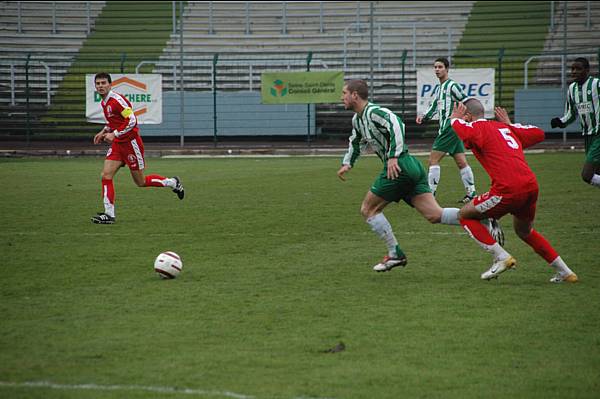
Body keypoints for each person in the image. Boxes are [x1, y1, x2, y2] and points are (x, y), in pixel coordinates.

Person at [336, 79, 502, 272]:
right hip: (409, 166)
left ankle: (395, 253)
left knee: (368, 209)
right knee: (434, 214)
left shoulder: (374, 112)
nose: (342, 97)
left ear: (355, 95)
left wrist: (393, 157)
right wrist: (348, 163)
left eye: (344, 93)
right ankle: (480, 217)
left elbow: (396, 124)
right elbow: (355, 142)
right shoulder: (358, 119)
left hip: (400, 167)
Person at [450, 99, 577, 283]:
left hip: (508, 189)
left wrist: (454, 119)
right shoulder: (505, 128)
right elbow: (539, 134)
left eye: (465, 116)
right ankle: (566, 272)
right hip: (530, 186)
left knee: (465, 215)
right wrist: (510, 125)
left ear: (468, 116)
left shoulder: (477, 128)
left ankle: (501, 257)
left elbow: (464, 131)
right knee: (524, 231)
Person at [91, 72, 184, 224]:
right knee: (105, 176)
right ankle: (109, 215)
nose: (101, 86)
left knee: (140, 182)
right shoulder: (104, 102)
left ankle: (173, 182)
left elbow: (132, 120)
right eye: (98, 84)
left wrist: (114, 134)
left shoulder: (117, 101)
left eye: (103, 83)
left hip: (131, 144)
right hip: (118, 145)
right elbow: (114, 120)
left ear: (110, 84)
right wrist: (104, 131)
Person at [416, 57, 477, 203]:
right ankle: (472, 193)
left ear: (447, 69)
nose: (437, 70)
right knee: (461, 161)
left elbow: (468, 101)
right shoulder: (440, 88)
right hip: (451, 129)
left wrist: (468, 116)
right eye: (435, 67)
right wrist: (424, 117)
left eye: (440, 67)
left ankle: (430, 194)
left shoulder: (452, 86)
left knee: (433, 160)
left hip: (449, 128)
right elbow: (436, 107)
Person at [551, 57, 600, 189]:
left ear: (587, 70)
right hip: (588, 136)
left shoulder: (596, 84)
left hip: (599, 135)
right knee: (597, 173)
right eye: (572, 69)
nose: (574, 71)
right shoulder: (572, 89)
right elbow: (571, 114)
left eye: (578, 68)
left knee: (587, 175)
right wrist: (560, 122)